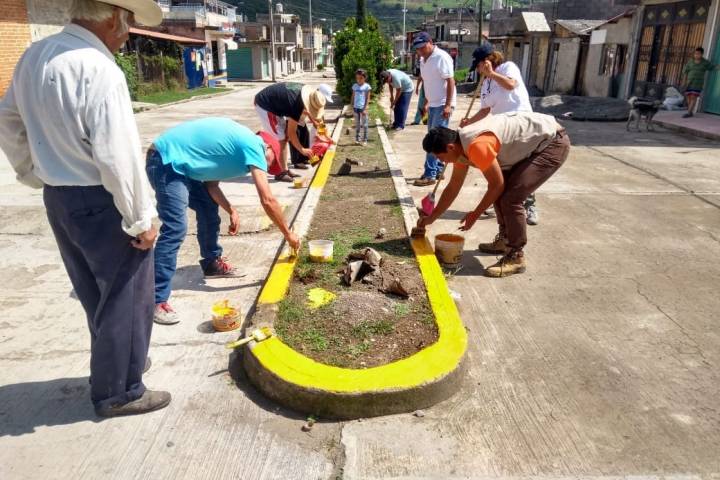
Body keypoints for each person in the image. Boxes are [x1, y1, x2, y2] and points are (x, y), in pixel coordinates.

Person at [0, 0, 170, 417]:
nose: (128, 34)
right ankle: (120, 391)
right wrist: (141, 218)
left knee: (96, 293)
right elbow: (118, 155)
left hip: (60, 197)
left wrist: (31, 172)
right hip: (101, 199)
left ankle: (120, 363)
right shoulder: (99, 68)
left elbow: (7, 119)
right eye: (128, 24)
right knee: (127, 297)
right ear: (113, 18)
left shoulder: (34, 56)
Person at [146, 118, 301, 325]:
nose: (267, 167)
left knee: (209, 209)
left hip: (180, 165)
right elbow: (267, 199)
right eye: (271, 162)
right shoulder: (254, 145)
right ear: (267, 148)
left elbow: (211, 186)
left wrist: (231, 210)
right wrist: (289, 234)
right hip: (165, 161)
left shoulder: (235, 152)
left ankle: (212, 263)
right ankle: (155, 299)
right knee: (176, 227)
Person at [416, 112, 570, 277]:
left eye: (440, 157)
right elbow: (453, 186)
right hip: (533, 142)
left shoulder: (476, 145)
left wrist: (475, 214)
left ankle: (515, 257)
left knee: (511, 199)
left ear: (450, 147)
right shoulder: (459, 147)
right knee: (501, 194)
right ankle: (505, 240)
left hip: (552, 143)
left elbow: (496, 185)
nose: (442, 162)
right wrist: (432, 218)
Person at [462, 43, 539, 225]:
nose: (478, 71)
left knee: (523, 167)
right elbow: (485, 110)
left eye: (479, 66)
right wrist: (468, 123)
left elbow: (511, 85)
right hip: (502, 127)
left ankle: (530, 206)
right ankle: (499, 201)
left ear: (487, 61)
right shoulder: (486, 83)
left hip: (521, 123)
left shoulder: (507, 67)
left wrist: (492, 74)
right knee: (504, 166)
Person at [254, 82, 333, 182]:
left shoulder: (310, 95)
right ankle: (279, 173)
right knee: (280, 140)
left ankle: (285, 170)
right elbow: (292, 132)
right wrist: (302, 150)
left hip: (277, 104)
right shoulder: (297, 104)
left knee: (284, 138)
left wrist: (325, 135)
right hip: (265, 105)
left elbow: (316, 118)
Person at [412, 32, 457, 187]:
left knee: (434, 140)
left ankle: (429, 174)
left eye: (423, 47)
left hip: (443, 103)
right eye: (418, 49)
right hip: (432, 104)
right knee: (438, 140)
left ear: (431, 42)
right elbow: (427, 82)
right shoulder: (423, 60)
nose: (421, 51)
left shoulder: (442, 57)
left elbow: (451, 81)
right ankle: (437, 170)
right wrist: (426, 102)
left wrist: (448, 104)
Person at [682, 47, 718, 118]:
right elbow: (685, 71)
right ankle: (690, 111)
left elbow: (713, 67)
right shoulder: (690, 61)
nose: (696, 55)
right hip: (689, 83)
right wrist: (684, 81)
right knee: (688, 97)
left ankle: (689, 112)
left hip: (698, 84)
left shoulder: (705, 62)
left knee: (693, 97)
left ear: (701, 54)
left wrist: (718, 67)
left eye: (698, 54)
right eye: (695, 54)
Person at [351, 69, 372, 145]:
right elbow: (353, 96)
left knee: (365, 124)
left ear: (364, 78)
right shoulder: (355, 86)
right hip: (356, 108)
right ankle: (357, 138)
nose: (359, 80)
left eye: (361, 78)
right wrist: (351, 106)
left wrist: (365, 108)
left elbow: (367, 98)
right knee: (357, 124)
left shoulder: (367, 87)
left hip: (363, 109)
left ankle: (365, 139)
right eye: (357, 78)